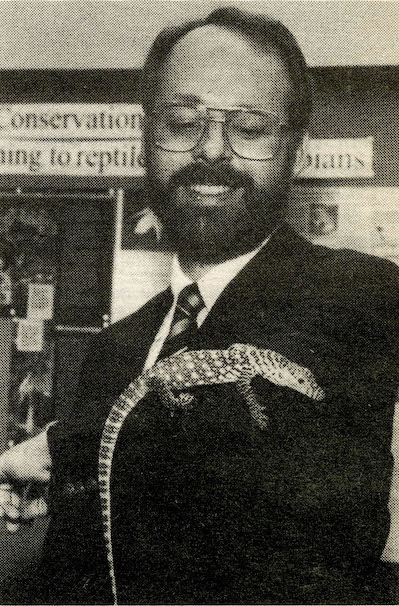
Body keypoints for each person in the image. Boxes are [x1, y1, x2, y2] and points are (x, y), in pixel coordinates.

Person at [1, 6, 399, 604]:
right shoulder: (117, 350)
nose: (212, 149)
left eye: (249, 128)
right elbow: (76, 567)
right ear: (146, 136)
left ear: (294, 147)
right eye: (182, 122)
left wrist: (58, 445)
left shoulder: (360, 295)